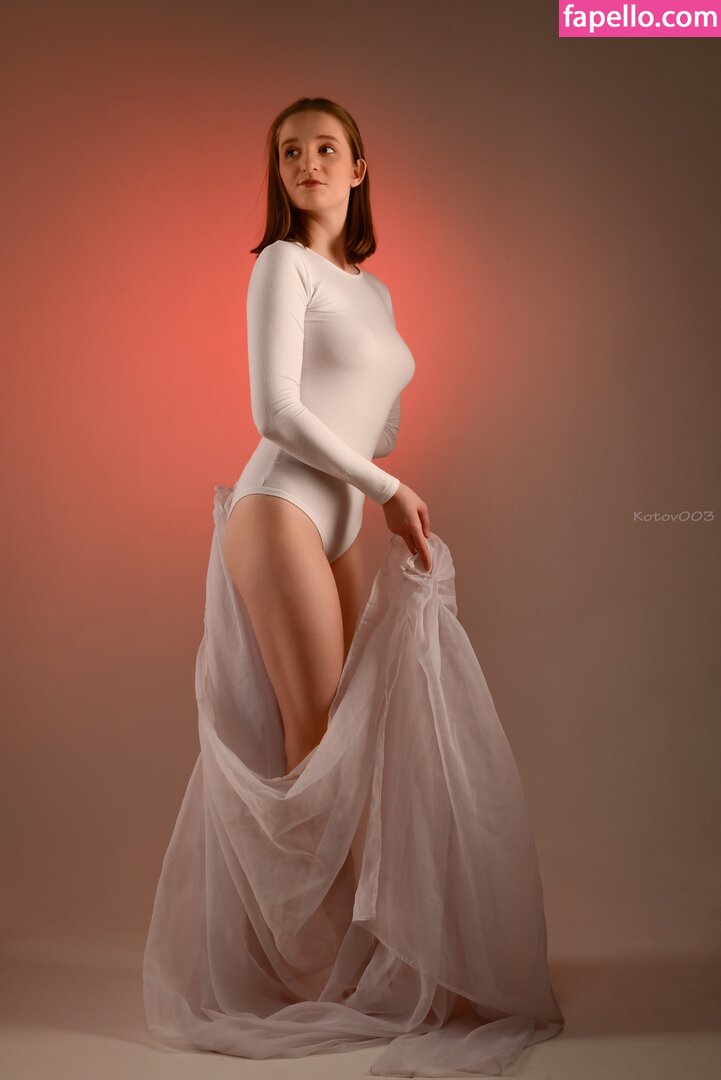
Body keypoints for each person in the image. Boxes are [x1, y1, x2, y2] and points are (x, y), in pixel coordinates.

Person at [222, 96, 429, 775]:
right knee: (313, 734)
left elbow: (379, 433)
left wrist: (376, 400)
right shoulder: (284, 262)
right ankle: (304, 857)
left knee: (342, 733)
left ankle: (330, 858)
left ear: (358, 169)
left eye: (325, 148)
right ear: (279, 172)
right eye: (291, 152)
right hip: (283, 506)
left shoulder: (377, 292)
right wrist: (387, 490)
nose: (306, 162)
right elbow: (276, 414)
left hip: (341, 519)